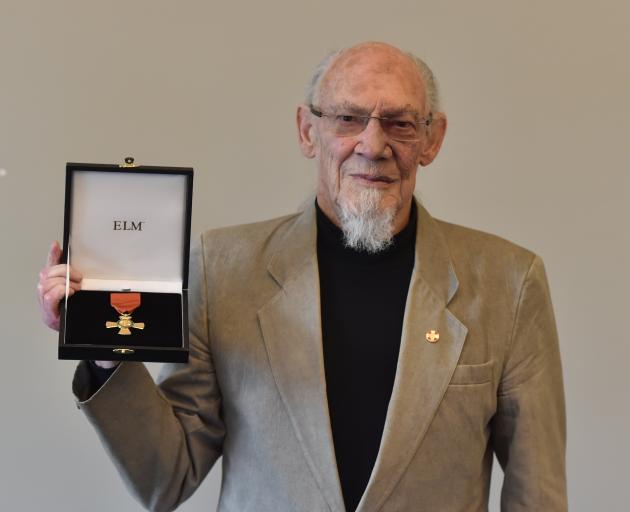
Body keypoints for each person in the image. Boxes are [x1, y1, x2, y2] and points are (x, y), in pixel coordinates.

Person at [38, 42, 567, 512]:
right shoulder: (223, 271)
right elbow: (166, 477)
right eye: (348, 119)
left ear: (432, 139)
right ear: (306, 131)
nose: (373, 144)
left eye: (401, 123)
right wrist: (106, 353)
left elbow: (538, 494)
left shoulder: (510, 282)